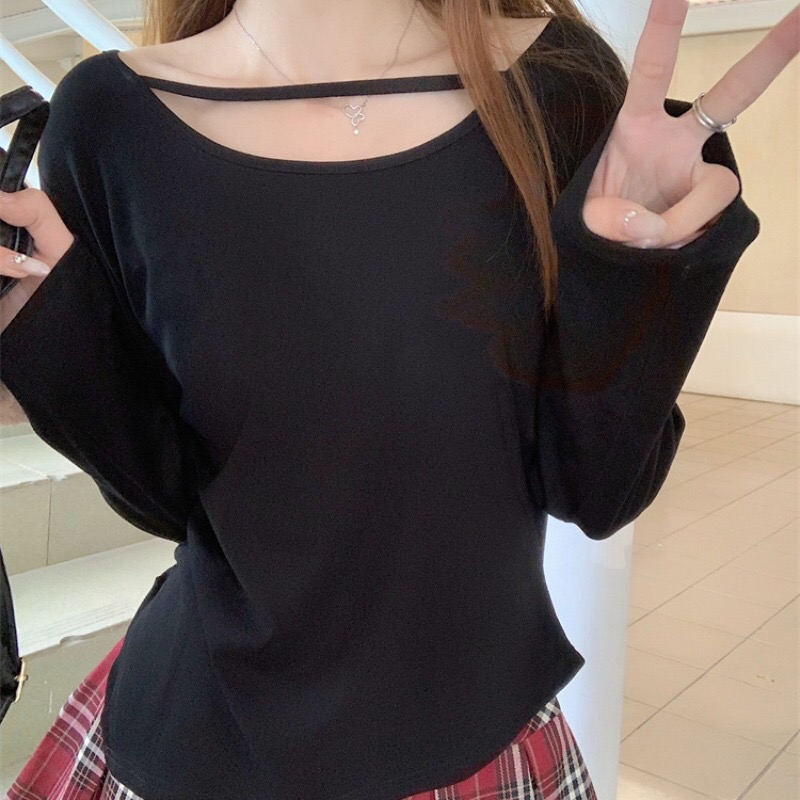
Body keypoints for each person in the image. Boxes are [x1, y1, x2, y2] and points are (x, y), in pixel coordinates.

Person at [0, 0, 795, 798]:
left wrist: (633, 270)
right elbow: (168, 493)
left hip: (477, 730)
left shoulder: (556, 87)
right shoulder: (109, 119)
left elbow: (594, 488)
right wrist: (43, 324)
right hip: (198, 735)